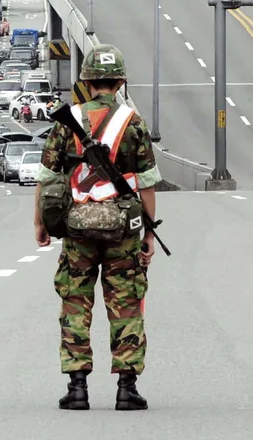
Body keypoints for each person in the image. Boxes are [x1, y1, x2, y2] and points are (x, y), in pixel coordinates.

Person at [33, 44, 161, 411]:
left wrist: (40, 223)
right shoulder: (132, 122)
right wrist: (147, 234)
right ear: (120, 82)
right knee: (126, 306)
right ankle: (126, 388)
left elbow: (45, 179)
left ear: (86, 82)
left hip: (77, 228)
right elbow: (148, 184)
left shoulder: (66, 121)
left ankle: (77, 389)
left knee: (75, 303)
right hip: (122, 230)